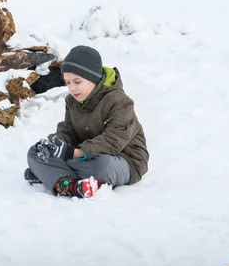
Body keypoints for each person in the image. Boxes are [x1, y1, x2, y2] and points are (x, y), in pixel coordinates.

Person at [24, 45, 149, 198]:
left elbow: (113, 140)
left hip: (124, 160)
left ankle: (49, 173)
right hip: (86, 155)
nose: (72, 88)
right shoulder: (72, 101)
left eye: (77, 81)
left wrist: (74, 152)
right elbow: (68, 131)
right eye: (68, 82)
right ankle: (70, 185)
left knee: (101, 166)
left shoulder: (120, 102)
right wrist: (54, 144)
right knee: (35, 153)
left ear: (93, 78)